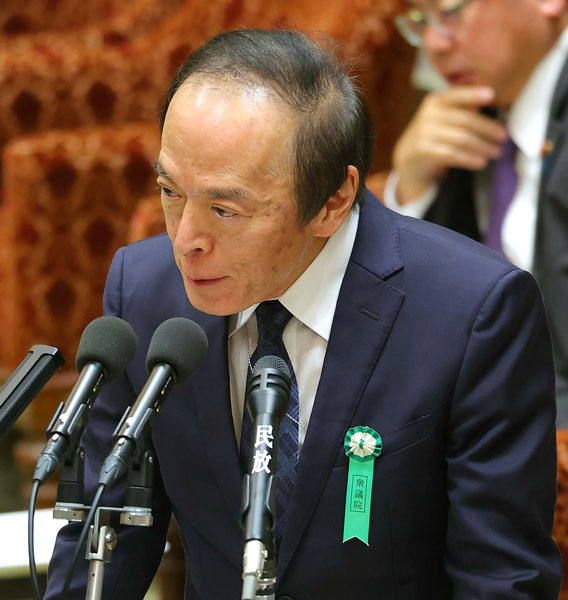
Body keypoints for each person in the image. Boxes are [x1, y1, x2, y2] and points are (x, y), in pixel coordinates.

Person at [45, 29, 561, 599]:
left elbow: (501, 579)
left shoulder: (472, 313)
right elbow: (107, 535)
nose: (186, 240)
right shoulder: (145, 295)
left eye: (224, 208)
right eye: (171, 191)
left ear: (333, 201)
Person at [387, 0, 568, 424]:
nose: (434, 44)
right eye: (421, 20)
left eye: (449, 12)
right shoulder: (468, 118)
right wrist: (411, 185)